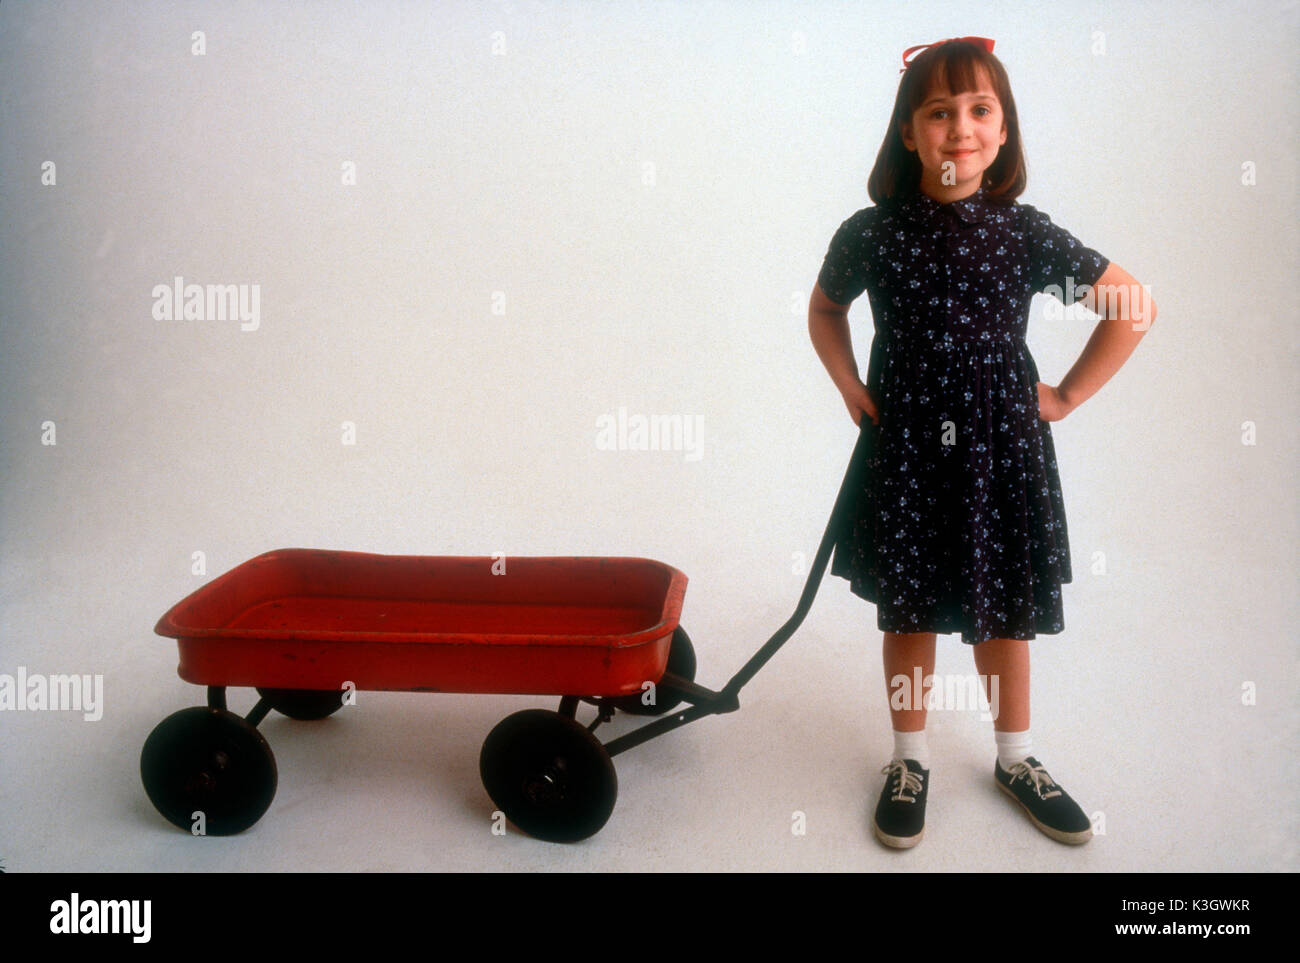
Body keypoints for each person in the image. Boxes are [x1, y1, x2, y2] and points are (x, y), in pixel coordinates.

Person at [808, 37, 1155, 849]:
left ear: (1002, 133)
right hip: (908, 455)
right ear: (908, 132)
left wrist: (1065, 394)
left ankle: (1017, 756)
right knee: (911, 605)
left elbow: (1130, 304)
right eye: (938, 111)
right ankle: (909, 757)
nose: (959, 126)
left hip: (1000, 452)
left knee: (1006, 613)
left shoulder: (1023, 237)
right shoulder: (873, 233)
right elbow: (825, 311)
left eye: (979, 109)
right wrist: (851, 385)